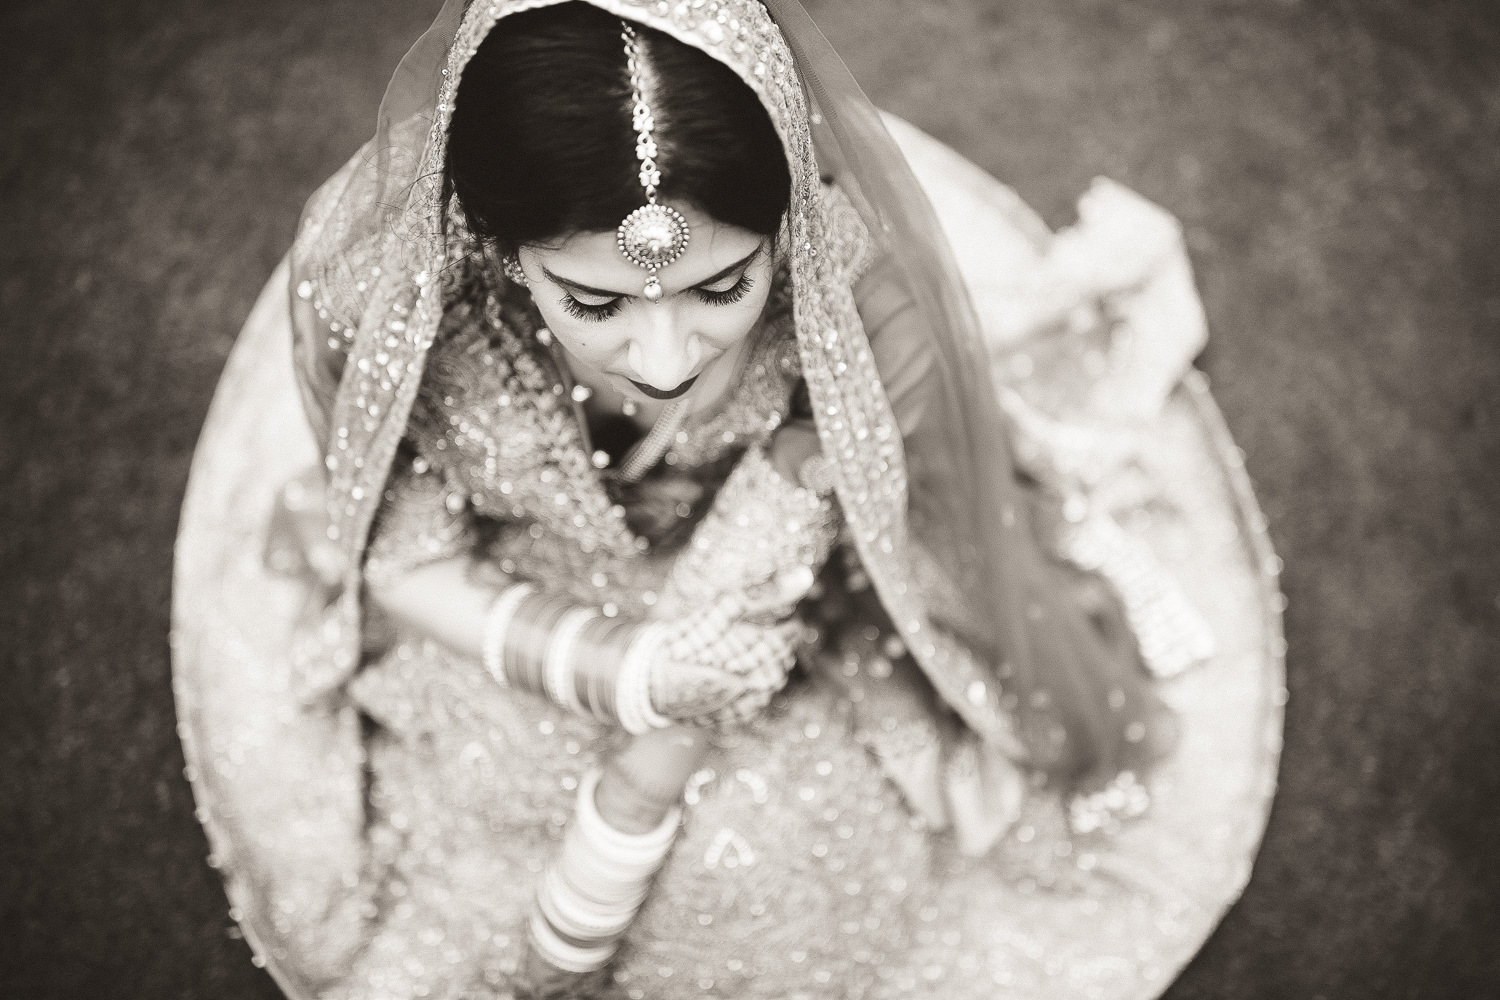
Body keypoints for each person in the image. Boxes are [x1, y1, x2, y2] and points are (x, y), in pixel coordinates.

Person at [172, 1, 1286, 998]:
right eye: (593, 300)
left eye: (722, 286)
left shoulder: (851, 300)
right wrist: (620, 671)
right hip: (514, 607)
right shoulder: (388, 302)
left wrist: (643, 769)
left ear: (786, 229)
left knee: (775, 892)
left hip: (755, 595)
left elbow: (759, 567)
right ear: (503, 251)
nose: (664, 356)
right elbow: (405, 559)